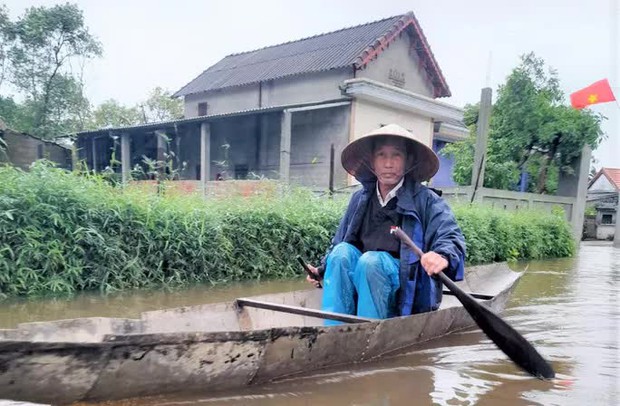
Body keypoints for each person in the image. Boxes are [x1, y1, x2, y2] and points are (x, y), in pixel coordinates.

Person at [306, 124, 466, 324]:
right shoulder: (359, 199)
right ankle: (333, 331)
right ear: (372, 162)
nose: (388, 163)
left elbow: (450, 236)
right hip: (362, 279)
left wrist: (441, 255)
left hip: (404, 286)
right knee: (340, 254)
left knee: (371, 262)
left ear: (408, 162)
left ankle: (369, 333)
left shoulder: (427, 201)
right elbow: (340, 241)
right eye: (381, 155)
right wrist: (321, 269)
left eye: (396, 155)